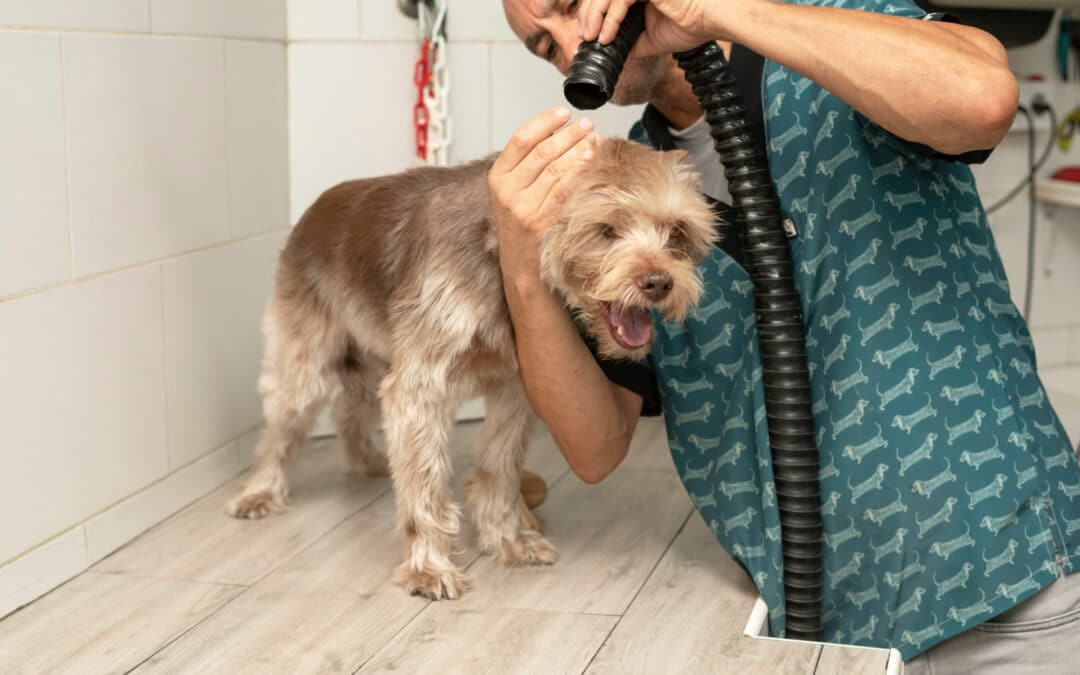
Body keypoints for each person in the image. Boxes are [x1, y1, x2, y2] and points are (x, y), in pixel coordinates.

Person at [489, 0, 1080, 672]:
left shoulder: (834, 32)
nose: (569, 50)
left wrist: (712, 10)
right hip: (819, 627)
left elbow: (983, 96)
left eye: (569, 7)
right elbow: (593, 447)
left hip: (1006, 597)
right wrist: (520, 257)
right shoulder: (627, 177)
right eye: (543, 46)